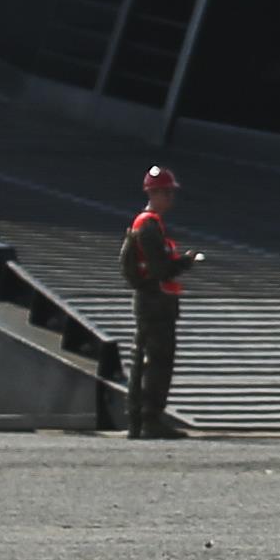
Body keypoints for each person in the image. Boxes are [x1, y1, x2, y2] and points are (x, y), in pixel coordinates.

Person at [117, 164, 198, 438]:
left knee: (144, 358)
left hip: (151, 301)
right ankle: (150, 420)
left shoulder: (146, 224)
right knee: (157, 361)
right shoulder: (149, 226)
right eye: (168, 193)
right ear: (156, 193)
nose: (171, 199)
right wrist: (184, 262)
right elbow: (160, 268)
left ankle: (138, 421)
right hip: (155, 302)